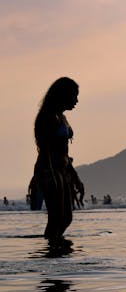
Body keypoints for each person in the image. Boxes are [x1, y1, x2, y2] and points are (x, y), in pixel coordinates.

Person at [33, 77, 84, 244]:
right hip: (49, 171)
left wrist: (74, 176)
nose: (76, 100)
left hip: (62, 170)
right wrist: (52, 178)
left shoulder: (61, 117)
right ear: (63, 95)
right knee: (56, 219)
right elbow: (46, 150)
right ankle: (52, 253)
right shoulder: (47, 117)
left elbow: (64, 152)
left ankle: (56, 249)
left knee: (66, 219)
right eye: (74, 95)